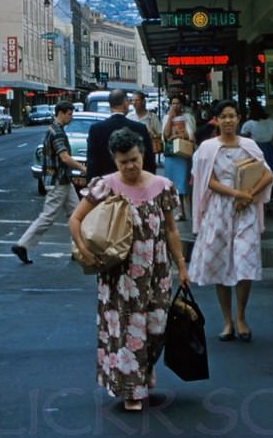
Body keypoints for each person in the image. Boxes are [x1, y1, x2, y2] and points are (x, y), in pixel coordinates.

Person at [68, 128, 189, 412]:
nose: (130, 166)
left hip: (158, 272)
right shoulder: (104, 185)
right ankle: (132, 391)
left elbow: (172, 230)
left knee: (157, 328)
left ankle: (143, 372)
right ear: (114, 160)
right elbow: (75, 219)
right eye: (123, 162)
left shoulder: (163, 186)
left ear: (143, 155)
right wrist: (85, 252)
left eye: (134, 159)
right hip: (119, 275)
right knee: (126, 333)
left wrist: (181, 266)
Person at [188, 100, 273, 342]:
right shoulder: (206, 148)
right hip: (219, 209)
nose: (228, 121)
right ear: (216, 119)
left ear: (238, 119)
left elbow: (267, 174)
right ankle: (227, 320)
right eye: (223, 116)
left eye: (232, 116)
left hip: (245, 210)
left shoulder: (249, 145)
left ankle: (241, 316)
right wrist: (237, 194)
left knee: (244, 263)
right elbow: (207, 180)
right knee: (220, 263)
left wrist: (250, 195)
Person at [11, 101, 86, 265]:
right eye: (69, 114)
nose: (71, 117)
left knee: (76, 215)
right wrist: (81, 168)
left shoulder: (52, 129)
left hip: (63, 180)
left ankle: (78, 249)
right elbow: (64, 157)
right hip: (58, 181)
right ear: (61, 113)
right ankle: (22, 244)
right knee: (48, 216)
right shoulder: (57, 132)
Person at [85, 89, 156, 183]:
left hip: (106, 185)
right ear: (125, 103)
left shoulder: (96, 129)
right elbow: (149, 160)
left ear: (110, 105)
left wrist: (92, 186)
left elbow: (92, 162)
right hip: (135, 183)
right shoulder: (139, 128)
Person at [161, 94, 196, 221]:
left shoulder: (188, 118)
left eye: (177, 103)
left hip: (183, 154)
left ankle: (192, 213)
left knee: (185, 184)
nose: (175, 106)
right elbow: (165, 134)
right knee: (175, 186)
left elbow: (190, 134)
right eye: (173, 103)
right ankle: (182, 212)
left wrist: (177, 136)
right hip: (172, 155)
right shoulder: (166, 117)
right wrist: (170, 117)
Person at [240, 101, 273, 181]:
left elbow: (243, 138)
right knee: (270, 169)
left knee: (256, 173)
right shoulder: (272, 122)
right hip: (269, 148)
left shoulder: (249, 124)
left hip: (254, 148)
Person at [126, 91, 162, 162]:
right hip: (132, 153)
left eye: (137, 100)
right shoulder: (129, 116)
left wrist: (152, 133)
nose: (134, 103)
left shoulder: (152, 117)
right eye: (133, 100)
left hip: (148, 152)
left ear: (143, 101)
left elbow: (160, 134)